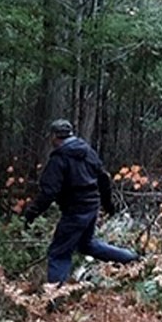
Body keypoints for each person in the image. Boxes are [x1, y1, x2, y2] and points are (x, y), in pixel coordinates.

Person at [23, 119, 139, 284]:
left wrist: (32, 213)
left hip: (75, 211)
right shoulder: (88, 152)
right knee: (86, 245)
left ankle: (56, 293)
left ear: (54, 136)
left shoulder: (59, 159)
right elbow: (104, 179)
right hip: (91, 207)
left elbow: (49, 192)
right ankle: (131, 258)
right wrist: (108, 205)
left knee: (59, 253)